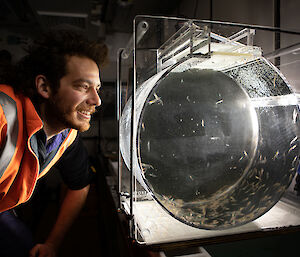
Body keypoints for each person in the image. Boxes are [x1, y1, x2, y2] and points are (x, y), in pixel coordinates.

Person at [0, 30, 107, 257]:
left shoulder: (66, 136)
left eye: (97, 88)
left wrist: (52, 243)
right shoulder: (2, 114)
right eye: (82, 87)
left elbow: (79, 185)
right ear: (45, 87)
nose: (96, 100)